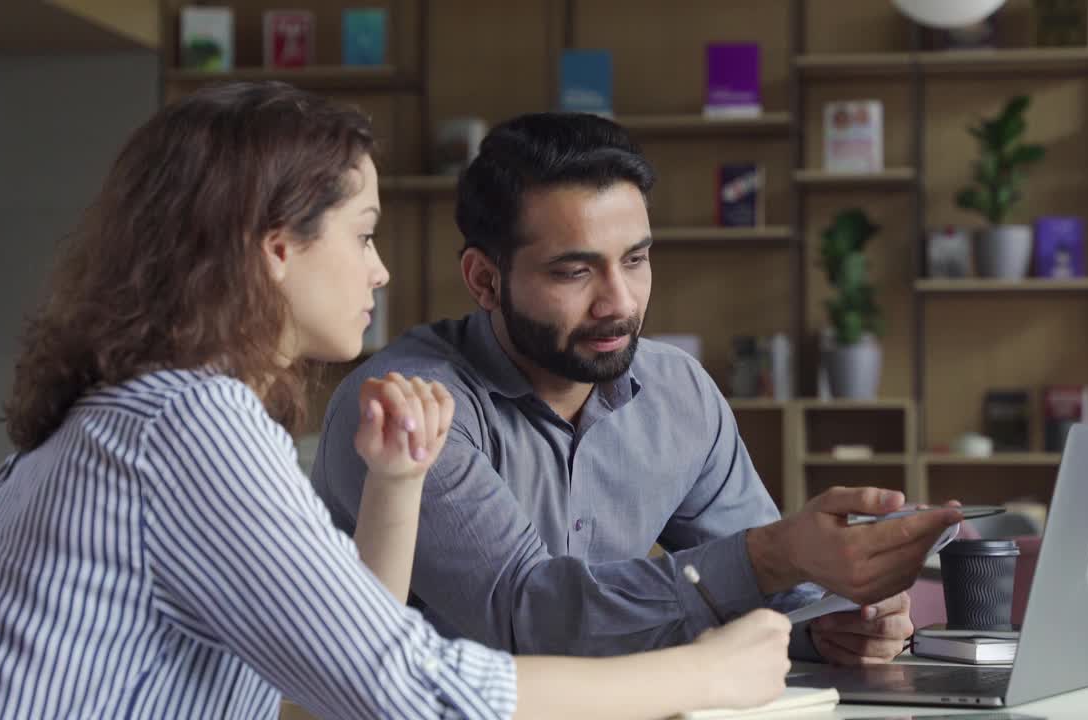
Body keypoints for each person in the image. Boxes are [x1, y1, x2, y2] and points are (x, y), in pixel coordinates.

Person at [0, 83, 795, 720]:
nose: (381, 270)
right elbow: (402, 684)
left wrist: (393, 486)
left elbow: (349, 651)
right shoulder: (191, 423)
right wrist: (703, 673)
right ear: (278, 248)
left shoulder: (136, 410)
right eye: (362, 234)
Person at [311, 112, 963, 664]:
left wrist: (827, 627)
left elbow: (774, 591)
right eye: (575, 271)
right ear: (484, 280)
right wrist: (777, 555)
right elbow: (526, 620)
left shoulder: (677, 392)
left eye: (636, 259)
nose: (618, 304)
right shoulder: (406, 409)